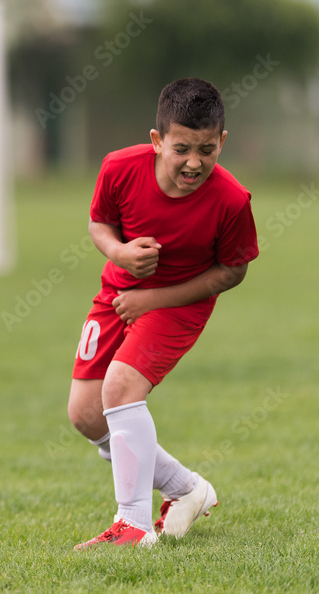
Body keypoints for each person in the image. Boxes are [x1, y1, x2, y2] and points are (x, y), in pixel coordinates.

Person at [68, 78, 258, 549]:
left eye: (207, 149)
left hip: (179, 304)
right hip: (116, 294)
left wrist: (153, 299)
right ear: (156, 141)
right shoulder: (119, 168)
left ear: (222, 142)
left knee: (120, 389)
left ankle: (132, 524)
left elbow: (233, 270)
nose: (194, 162)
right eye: (181, 149)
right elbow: (99, 224)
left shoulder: (232, 200)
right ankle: (187, 489)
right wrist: (119, 253)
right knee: (88, 416)